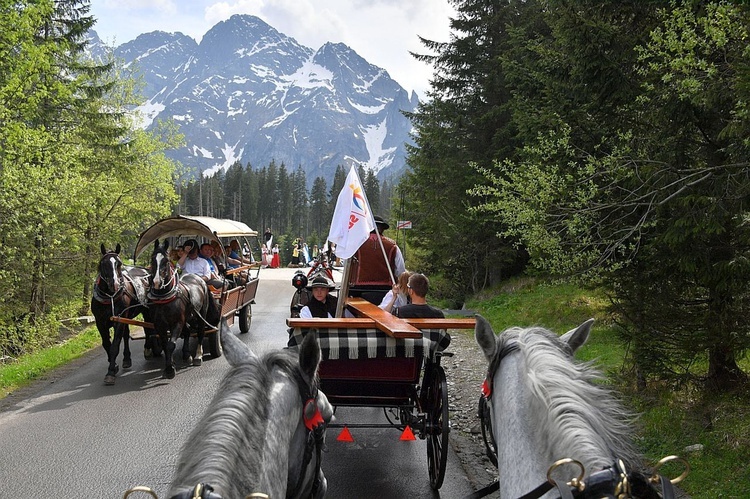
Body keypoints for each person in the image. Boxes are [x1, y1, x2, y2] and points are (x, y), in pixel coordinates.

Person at [349, 215, 406, 303]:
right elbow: (400, 271)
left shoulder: (356, 244)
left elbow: (348, 267)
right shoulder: (393, 246)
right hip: (385, 290)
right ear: (382, 229)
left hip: (358, 289)